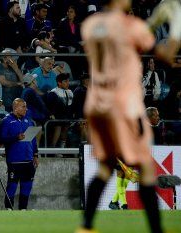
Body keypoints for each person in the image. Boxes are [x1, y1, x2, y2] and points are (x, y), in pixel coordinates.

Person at [77, 0, 164, 233]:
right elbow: (163, 53)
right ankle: (156, 229)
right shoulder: (132, 26)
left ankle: (86, 227)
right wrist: (168, 25)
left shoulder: (91, 25)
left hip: (97, 104)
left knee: (106, 166)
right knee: (145, 167)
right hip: (124, 105)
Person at [0, 98, 39, 210]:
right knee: (12, 186)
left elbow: (33, 140)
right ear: (15, 107)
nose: (26, 109)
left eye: (26, 106)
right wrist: (15, 137)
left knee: (27, 186)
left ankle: (23, 209)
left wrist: (35, 155)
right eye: (23, 107)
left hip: (28, 159)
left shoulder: (29, 121)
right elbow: (0, 140)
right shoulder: (6, 121)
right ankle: (8, 209)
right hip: (14, 160)